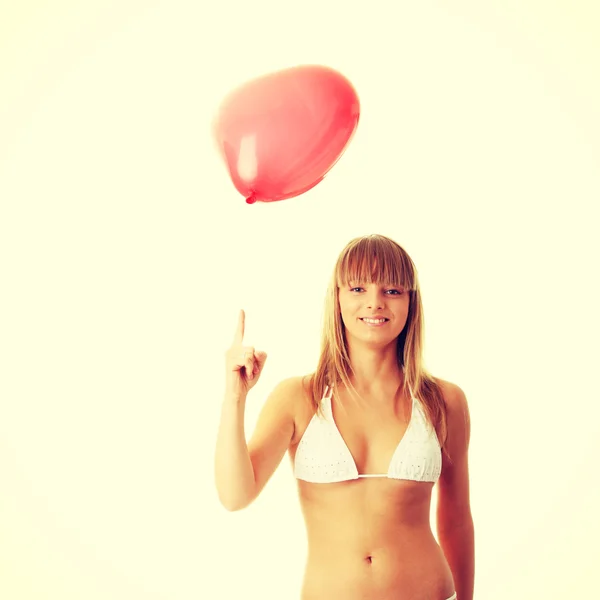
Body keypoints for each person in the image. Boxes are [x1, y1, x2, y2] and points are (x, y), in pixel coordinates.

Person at [214, 234, 475, 600]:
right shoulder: (298, 398)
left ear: (411, 302)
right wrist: (234, 396)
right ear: (337, 299)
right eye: (357, 288)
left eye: (392, 290)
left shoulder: (444, 401)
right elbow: (234, 495)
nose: (374, 302)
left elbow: (457, 521)